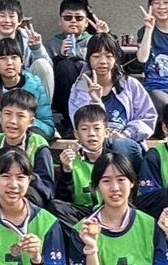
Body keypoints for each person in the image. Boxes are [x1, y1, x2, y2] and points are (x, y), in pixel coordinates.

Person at [67, 33, 156, 169]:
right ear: (88, 58)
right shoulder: (80, 88)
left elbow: (148, 117)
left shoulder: (130, 85)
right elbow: (80, 123)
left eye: (109, 56)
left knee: (120, 145)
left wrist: (126, 134)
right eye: (96, 56)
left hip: (127, 143)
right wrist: (95, 102)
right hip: (95, 143)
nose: (103, 61)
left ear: (116, 58)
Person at [0, 88, 56, 211]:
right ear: (0, 116)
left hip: (25, 197)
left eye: (20, 116)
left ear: (31, 122)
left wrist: (24, 176)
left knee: (28, 192)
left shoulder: (38, 145)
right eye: (7, 114)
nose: (12, 121)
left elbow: (48, 190)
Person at [48, 0, 107, 133]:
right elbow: (46, 74)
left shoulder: (93, 40)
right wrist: (60, 56)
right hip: (62, 95)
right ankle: (70, 123)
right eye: (68, 18)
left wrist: (104, 37)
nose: (73, 21)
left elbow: (114, 61)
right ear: (60, 21)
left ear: (86, 22)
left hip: (91, 90)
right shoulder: (52, 43)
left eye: (79, 18)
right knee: (65, 66)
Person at [0, 37, 56, 140]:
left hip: (31, 136)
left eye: (14, 57)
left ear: (22, 60)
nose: (9, 63)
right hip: (3, 138)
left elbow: (48, 128)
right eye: (3, 58)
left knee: (34, 133)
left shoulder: (35, 85)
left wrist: (25, 121)